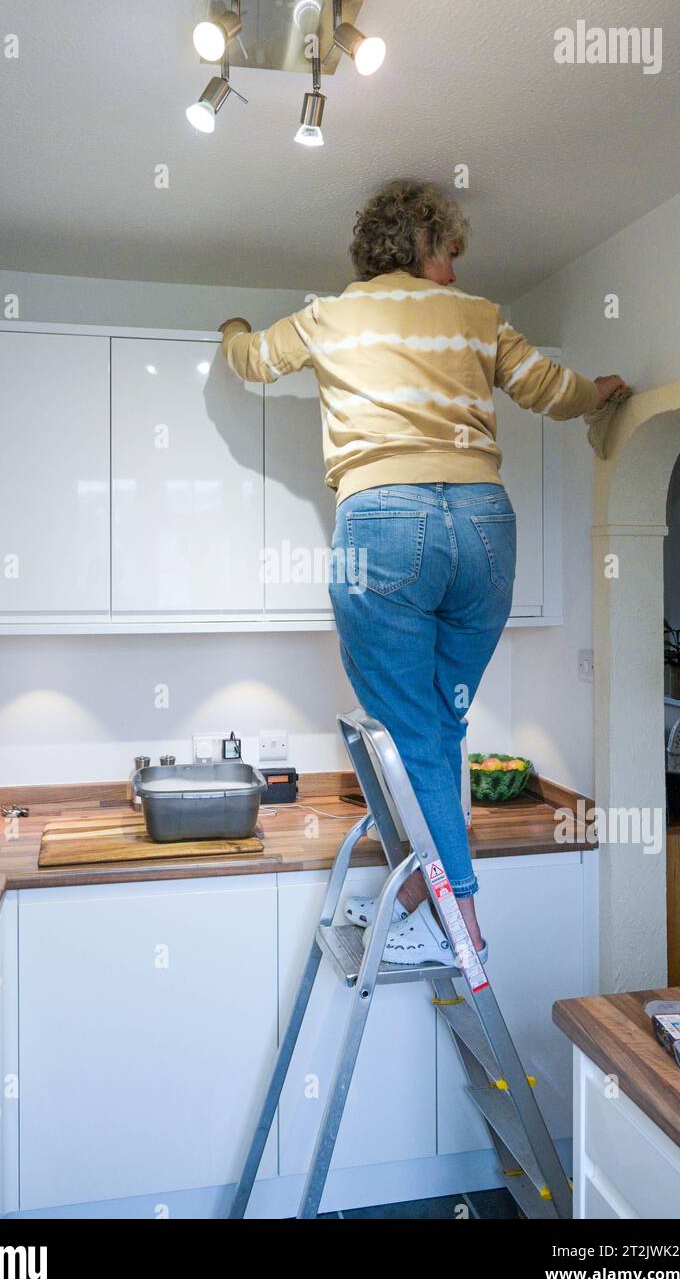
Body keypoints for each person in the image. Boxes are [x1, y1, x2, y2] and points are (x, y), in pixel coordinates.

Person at [219, 178, 627, 967]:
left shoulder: (330, 315)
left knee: (411, 733)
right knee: (438, 725)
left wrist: (234, 327)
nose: (453, 271)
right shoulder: (480, 317)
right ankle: (420, 894)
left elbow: (253, 361)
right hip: (485, 527)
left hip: (385, 525)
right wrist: (604, 391)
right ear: (419, 246)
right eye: (448, 253)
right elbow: (553, 389)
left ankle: (457, 917)